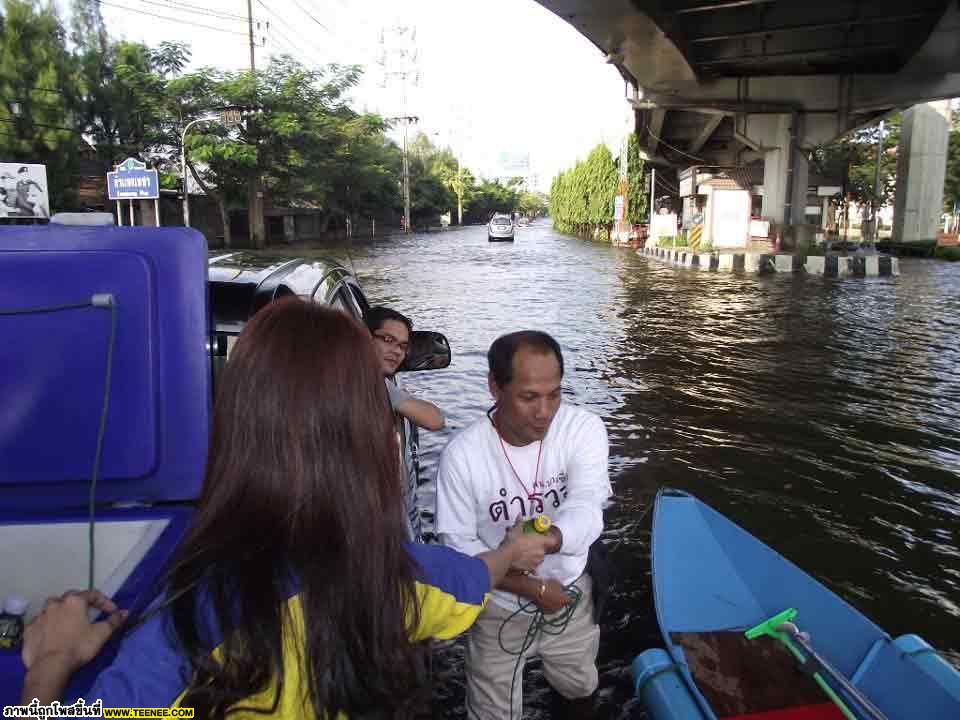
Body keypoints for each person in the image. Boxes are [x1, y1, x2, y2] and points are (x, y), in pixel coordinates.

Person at [20, 299, 555, 715]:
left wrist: (48, 666)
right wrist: (511, 551)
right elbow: (474, 576)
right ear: (364, 434)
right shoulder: (396, 577)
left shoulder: (195, 619)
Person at [435, 330, 611, 720]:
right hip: (497, 604)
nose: (545, 411)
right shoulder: (462, 456)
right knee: (493, 710)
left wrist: (547, 540)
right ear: (495, 387)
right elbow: (459, 552)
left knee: (579, 686)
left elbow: (587, 505)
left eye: (555, 394)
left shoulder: (583, 429)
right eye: (529, 397)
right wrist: (530, 585)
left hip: (569, 593)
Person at [365, 306, 444, 432]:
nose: (397, 351)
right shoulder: (367, 381)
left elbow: (436, 419)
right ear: (365, 337)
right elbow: (435, 421)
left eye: (403, 346)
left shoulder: (374, 381)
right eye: (388, 340)